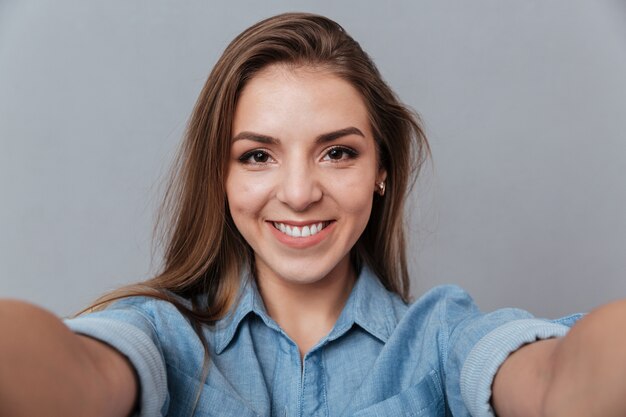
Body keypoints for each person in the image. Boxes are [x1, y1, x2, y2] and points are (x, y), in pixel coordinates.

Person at [1, 12, 626, 417]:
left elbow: (554, 384)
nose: (299, 193)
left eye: (337, 152)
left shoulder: (439, 338)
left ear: (382, 170)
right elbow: (72, 372)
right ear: (220, 176)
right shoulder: (161, 337)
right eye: (257, 156)